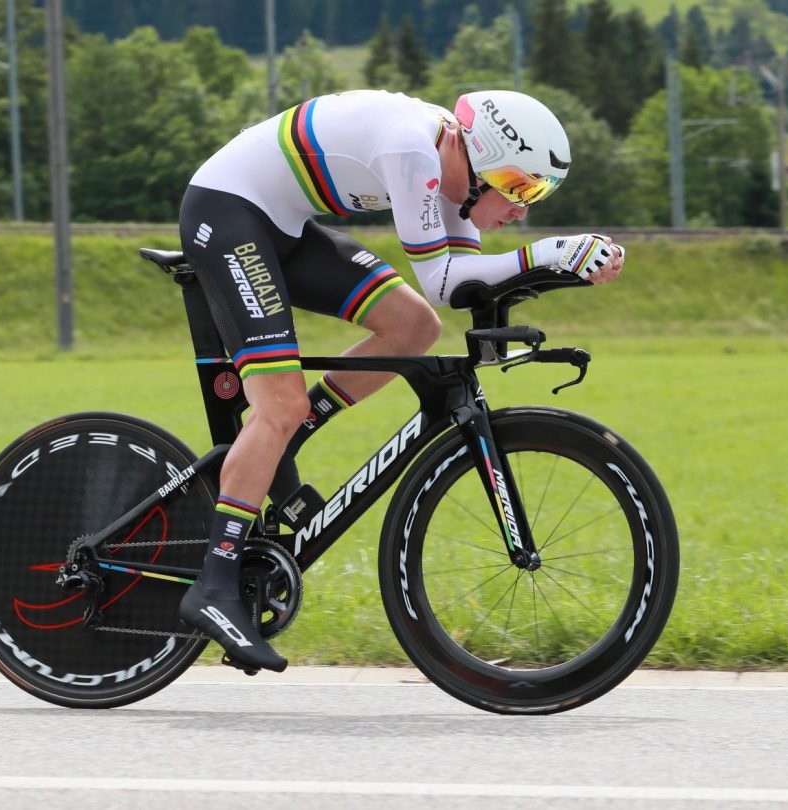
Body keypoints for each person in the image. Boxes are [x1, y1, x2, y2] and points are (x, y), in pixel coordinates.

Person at [177, 89, 625, 672]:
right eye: (519, 186)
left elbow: (465, 287)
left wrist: (559, 271)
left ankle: (294, 433)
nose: (522, 207)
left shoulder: (449, 173)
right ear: (481, 159)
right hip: (227, 211)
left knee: (412, 326)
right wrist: (546, 253)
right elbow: (443, 278)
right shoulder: (416, 152)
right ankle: (214, 585)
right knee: (276, 405)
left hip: (279, 225)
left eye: (535, 193)